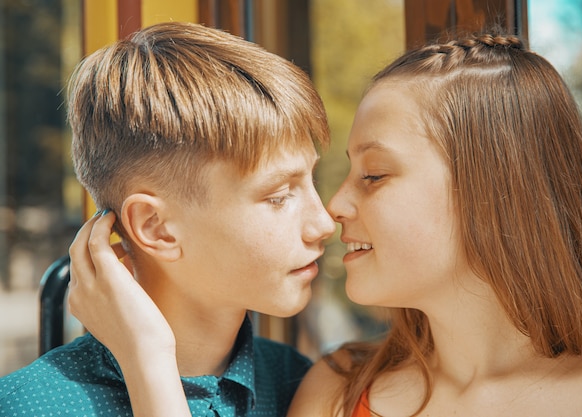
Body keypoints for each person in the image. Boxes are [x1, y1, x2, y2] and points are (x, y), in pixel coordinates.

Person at [32, 30, 582, 416]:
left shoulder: (292, 380)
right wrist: (150, 361)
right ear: (155, 228)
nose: (331, 212)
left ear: (494, 192)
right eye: (279, 194)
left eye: (373, 176)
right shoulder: (330, 389)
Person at [0, 21, 335, 417]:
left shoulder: (300, 385)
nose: (325, 224)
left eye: (312, 180)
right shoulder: (33, 406)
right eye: (278, 197)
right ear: (156, 228)